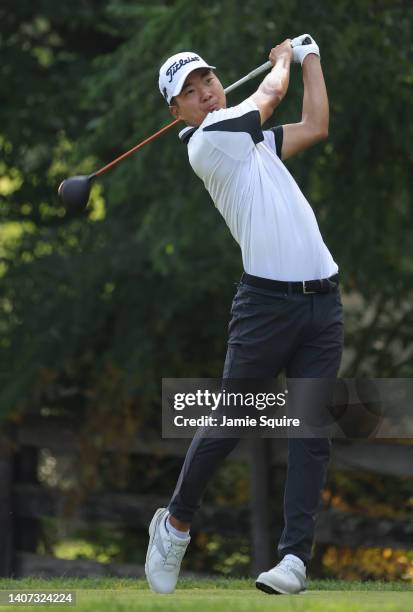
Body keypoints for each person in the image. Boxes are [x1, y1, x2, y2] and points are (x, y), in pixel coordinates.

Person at [145, 34, 343, 595]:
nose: (205, 91)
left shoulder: (249, 143)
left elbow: (315, 126)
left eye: (207, 79)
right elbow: (267, 100)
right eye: (190, 90)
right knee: (234, 419)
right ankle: (175, 524)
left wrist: (311, 61)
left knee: (311, 432)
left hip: (322, 302)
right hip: (266, 307)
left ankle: (293, 562)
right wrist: (282, 63)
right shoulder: (208, 142)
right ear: (176, 111)